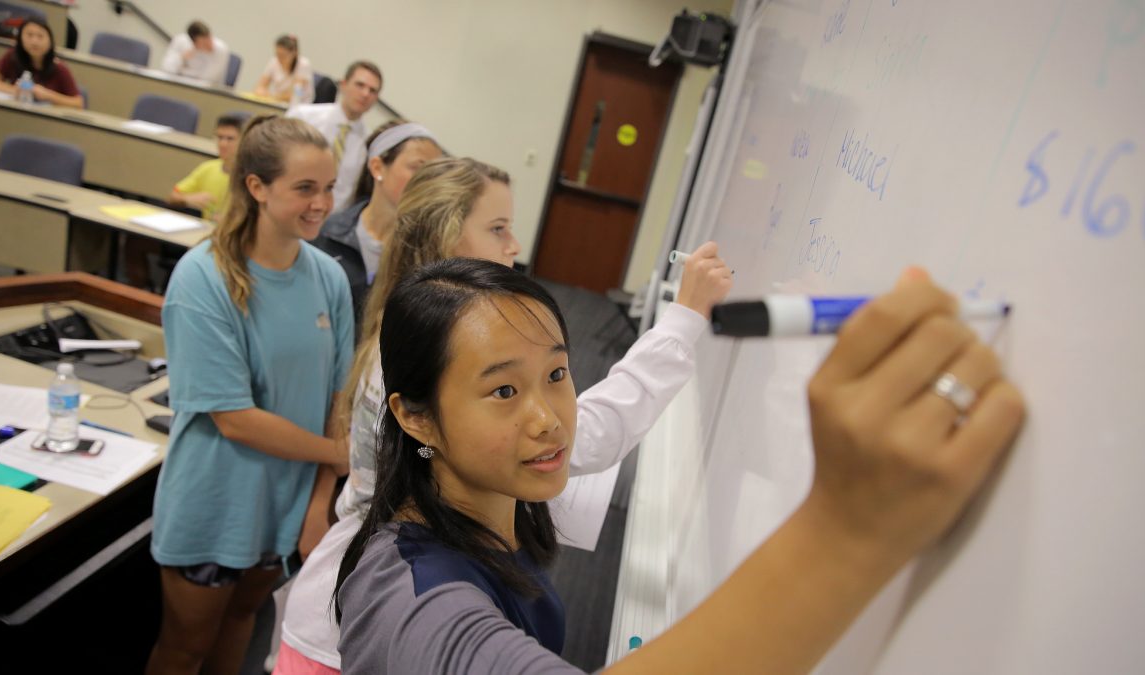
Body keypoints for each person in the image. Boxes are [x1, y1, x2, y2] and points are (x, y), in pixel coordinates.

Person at [333, 258, 1025, 674]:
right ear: (416, 415)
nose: (549, 416)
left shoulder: (489, 508)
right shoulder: (413, 595)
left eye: (558, 374)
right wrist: (848, 529)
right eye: (504, 390)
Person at [273, 157, 733, 673]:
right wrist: (685, 321)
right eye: (497, 229)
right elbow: (595, 431)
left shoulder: (417, 350)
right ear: (444, 247)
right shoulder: (419, 588)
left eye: (558, 374)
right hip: (329, 638)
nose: (514, 246)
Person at [145, 115, 354, 675]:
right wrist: (336, 458)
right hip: (216, 506)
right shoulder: (202, 279)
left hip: (284, 508)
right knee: (183, 648)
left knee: (242, 624)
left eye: (330, 186)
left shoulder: (328, 278)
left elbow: (339, 401)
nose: (322, 203)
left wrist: (318, 506)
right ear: (257, 188)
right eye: (305, 188)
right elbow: (234, 418)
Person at [311, 120, 442, 325]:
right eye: (418, 168)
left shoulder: (430, 254)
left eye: (434, 174)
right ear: (377, 166)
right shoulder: (324, 235)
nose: (428, 182)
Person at [287, 61, 382, 214]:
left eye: (372, 91)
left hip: (332, 225)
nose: (365, 94)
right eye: (360, 85)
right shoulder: (303, 117)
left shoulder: (371, 144)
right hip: (292, 210)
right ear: (343, 85)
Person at [0, 18, 82, 108]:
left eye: (40, 36)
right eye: (29, 35)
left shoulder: (60, 68)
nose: (34, 42)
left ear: (50, 41)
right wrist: (14, 90)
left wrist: (48, 95)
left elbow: (78, 103)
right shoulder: (13, 56)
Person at [168, 113, 244, 223]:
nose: (223, 144)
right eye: (219, 137)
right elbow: (173, 197)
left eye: (230, 139)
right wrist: (188, 199)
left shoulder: (249, 178)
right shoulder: (208, 168)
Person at [160, 20, 230, 85]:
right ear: (194, 43)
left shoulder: (221, 49)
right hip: (178, 84)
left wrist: (184, 70)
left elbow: (208, 79)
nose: (210, 44)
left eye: (209, 38)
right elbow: (167, 68)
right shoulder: (181, 41)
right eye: (204, 43)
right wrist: (181, 58)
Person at [253, 34, 313, 105]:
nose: (279, 59)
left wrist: (273, 96)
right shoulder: (274, 62)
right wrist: (261, 91)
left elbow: (295, 94)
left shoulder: (303, 64)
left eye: (283, 55)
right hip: (277, 103)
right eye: (277, 54)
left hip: (299, 106)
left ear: (294, 53)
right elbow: (260, 86)